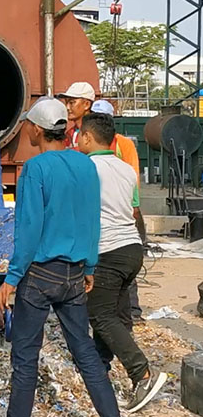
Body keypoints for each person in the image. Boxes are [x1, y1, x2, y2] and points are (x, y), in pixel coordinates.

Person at [0, 97, 120, 417]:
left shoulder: (35, 168)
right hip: (74, 274)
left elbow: (29, 228)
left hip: (40, 274)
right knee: (85, 353)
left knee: (25, 358)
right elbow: (92, 219)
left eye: (28, 127)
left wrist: (11, 278)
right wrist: (89, 265)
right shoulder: (85, 165)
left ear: (36, 129)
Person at [77, 113, 167, 412]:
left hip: (109, 250)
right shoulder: (126, 170)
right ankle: (99, 370)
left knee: (100, 315)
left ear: (88, 137)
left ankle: (141, 372)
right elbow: (134, 210)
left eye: (79, 134)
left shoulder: (87, 168)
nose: (77, 139)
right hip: (131, 248)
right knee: (115, 314)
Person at [91, 100, 147, 322]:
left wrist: (133, 206)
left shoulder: (123, 144)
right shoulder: (86, 142)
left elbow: (132, 174)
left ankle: (132, 310)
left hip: (124, 208)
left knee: (121, 257)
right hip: (104, 210)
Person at [58, 82, 96, 149]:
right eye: (66, 102)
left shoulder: (98, 133)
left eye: (72, 103)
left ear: (87, 104)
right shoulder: (69, 134)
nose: (67, 107)